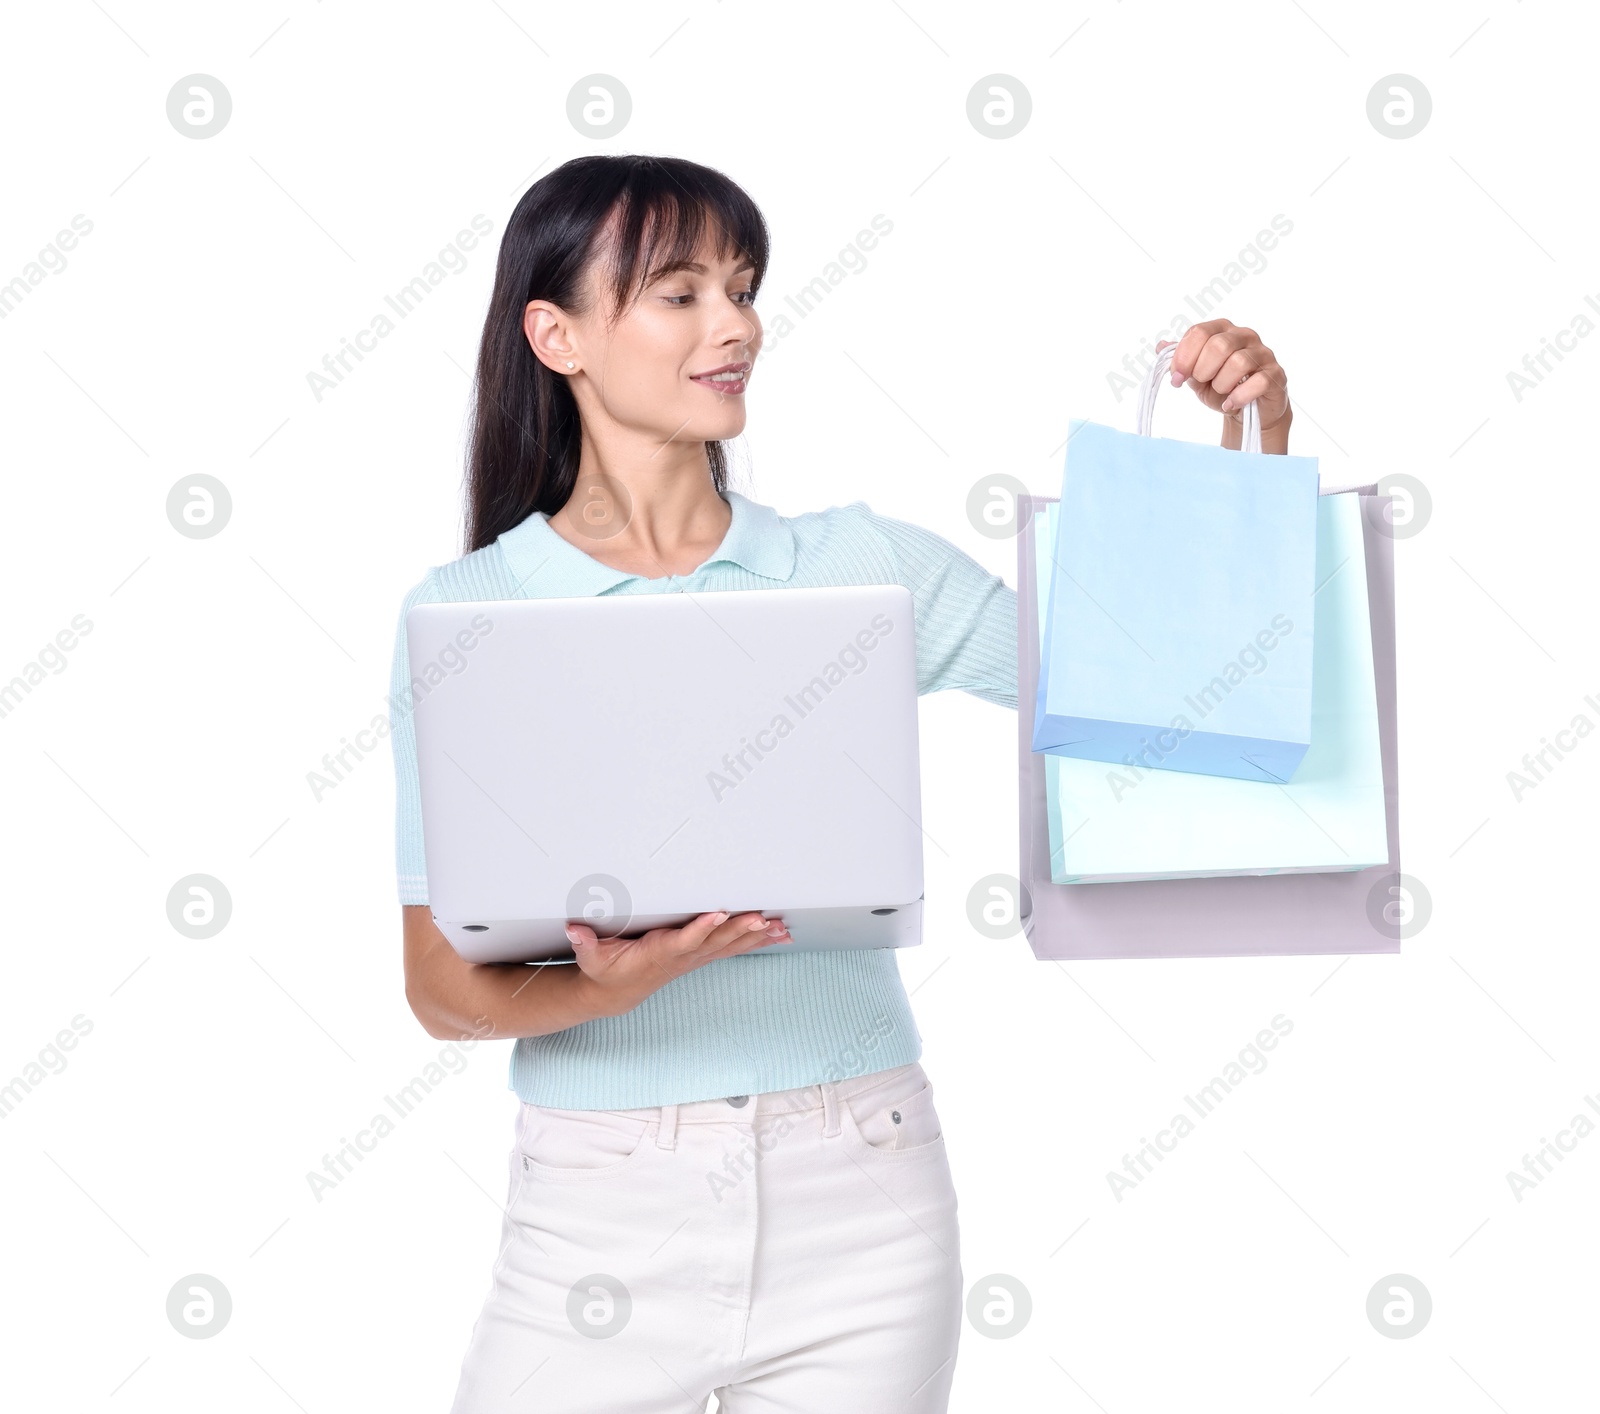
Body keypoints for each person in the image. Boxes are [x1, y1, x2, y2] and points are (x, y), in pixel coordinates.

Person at [390, 154, 1294, 1413]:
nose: (737, 324)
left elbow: (1172, 703)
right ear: (558, 335)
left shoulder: (862, 566)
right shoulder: (467, 612)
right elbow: (440, 986)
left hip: (861, 1199)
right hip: (595, 1214)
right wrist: (607, 986)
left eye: (744, 288)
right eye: (680, 291)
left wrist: (1242, 460)